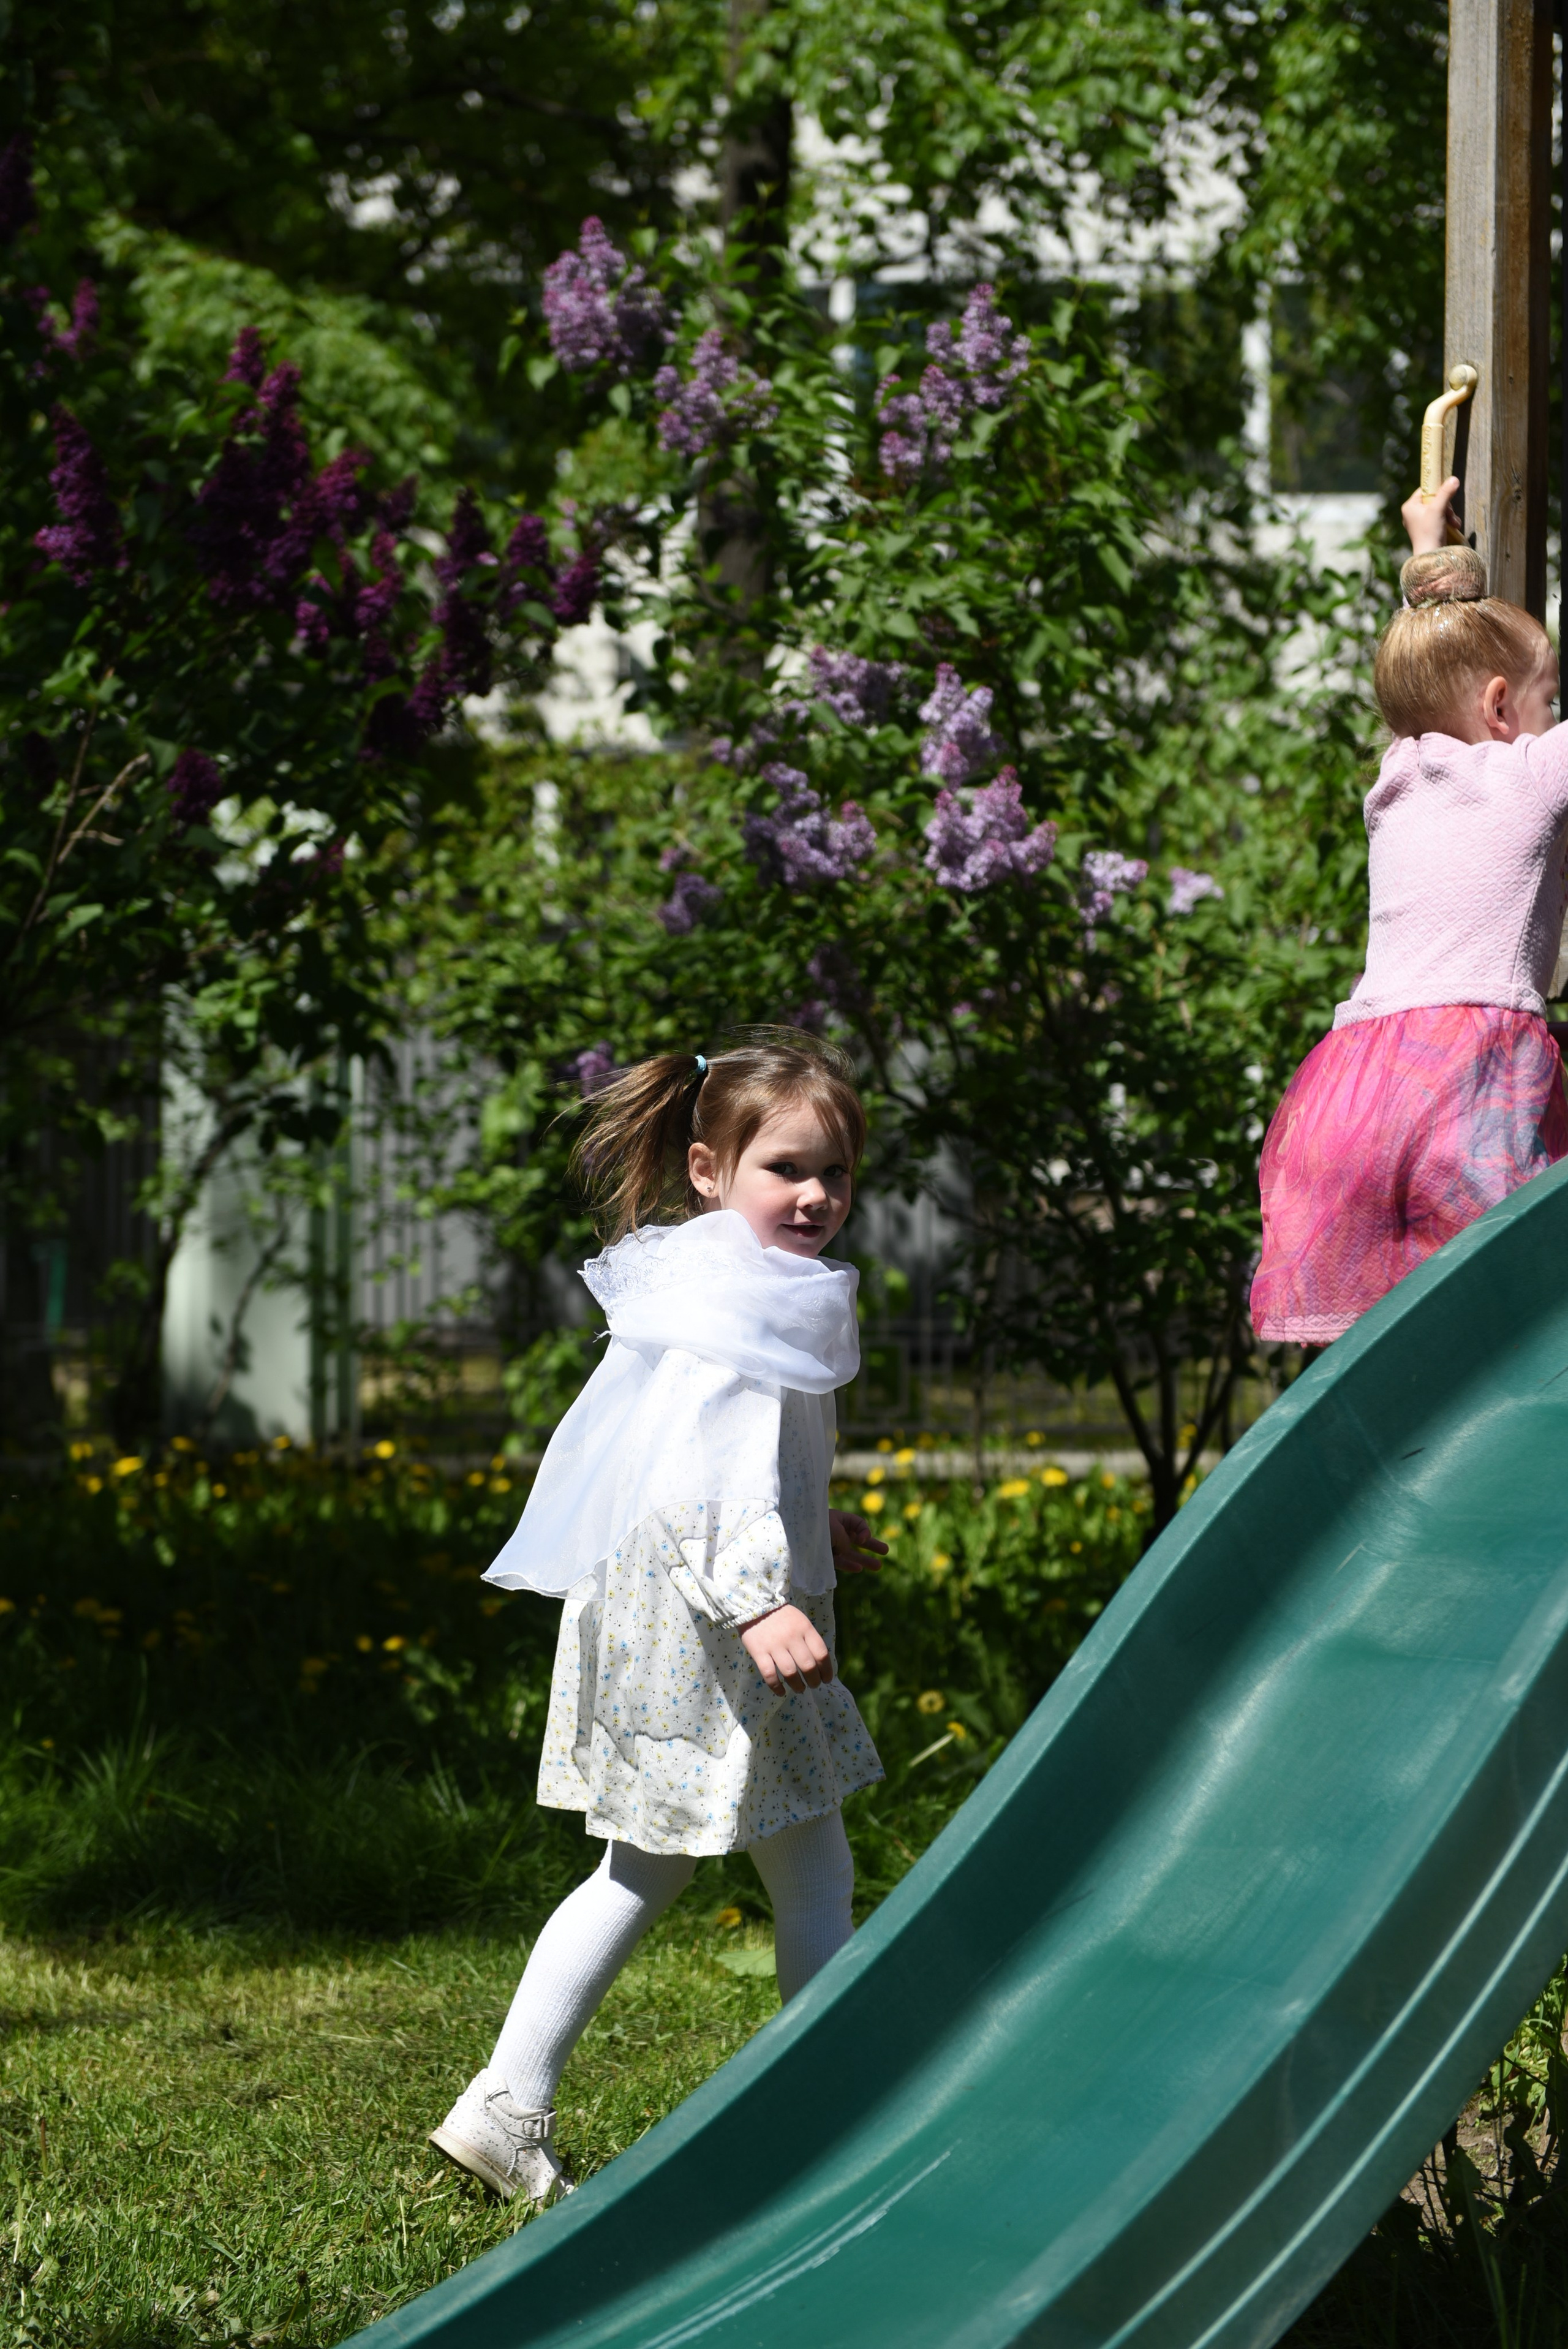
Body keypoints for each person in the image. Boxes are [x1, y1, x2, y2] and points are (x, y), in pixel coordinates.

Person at [429, 1030, 889, 2204]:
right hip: (712, 1626)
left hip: (696, 1610)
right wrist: (760, 1599)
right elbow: (692, 1479)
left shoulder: (723, 1280)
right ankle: (521, 2103)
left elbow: (732, 1464)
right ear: (708, 1170)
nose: (816, 1195)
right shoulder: (731, 1299)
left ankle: (519, 2104)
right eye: (786, 1168)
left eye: (835, 1172)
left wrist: (813, 1523)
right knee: (670, 1868)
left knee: (778, 1860)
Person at [1251, 477, 1567, 1348]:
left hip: (1357, 1082)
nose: (1553, 718)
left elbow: (1427, 662)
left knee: (1386, 1335)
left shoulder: (1397, 775)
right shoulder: (1530, 771)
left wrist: (1431, 549)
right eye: (1549, 701)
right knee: (1519, 1310)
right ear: (1499, 707)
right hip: (1472, 1074)